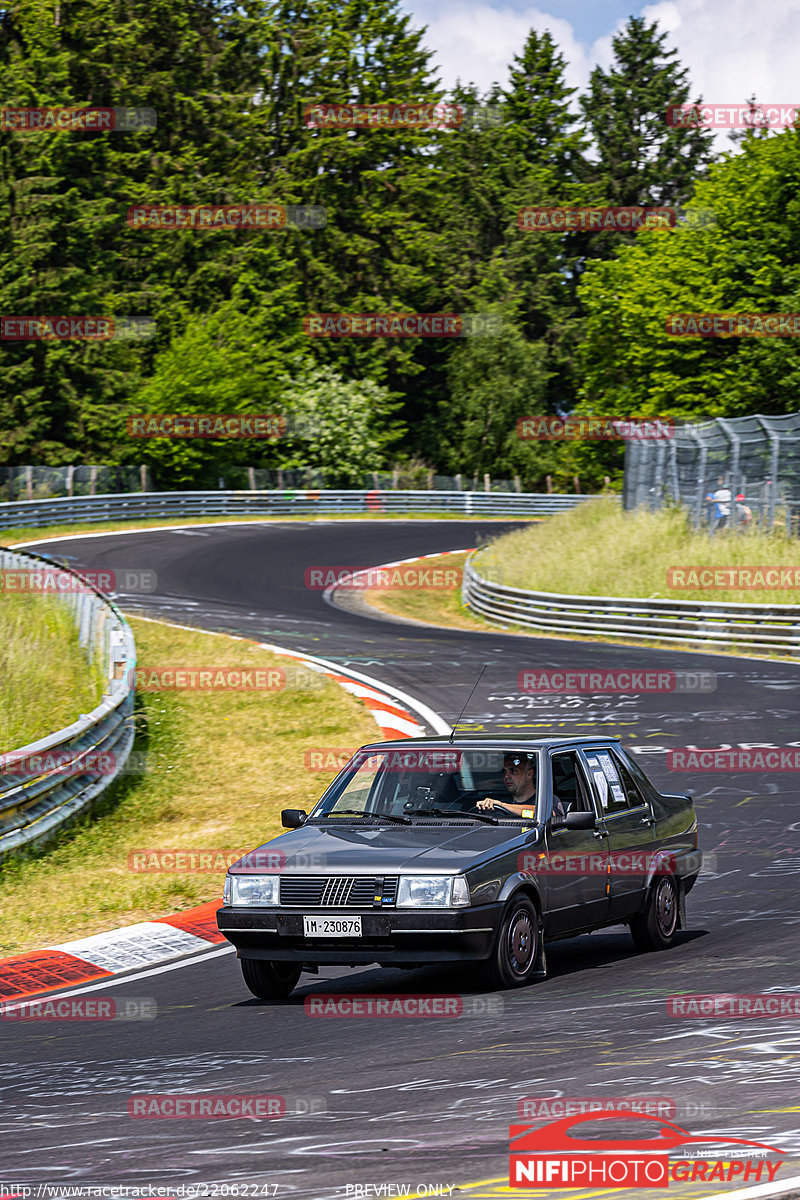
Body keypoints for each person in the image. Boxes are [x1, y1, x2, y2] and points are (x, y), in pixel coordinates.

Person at [477, 752, 537, 817]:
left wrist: (502, 805)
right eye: (504, 772)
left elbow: (534, 813)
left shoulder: (542, 800)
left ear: (529, 774)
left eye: (513, 770)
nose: (506, 776)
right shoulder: (504, 800)